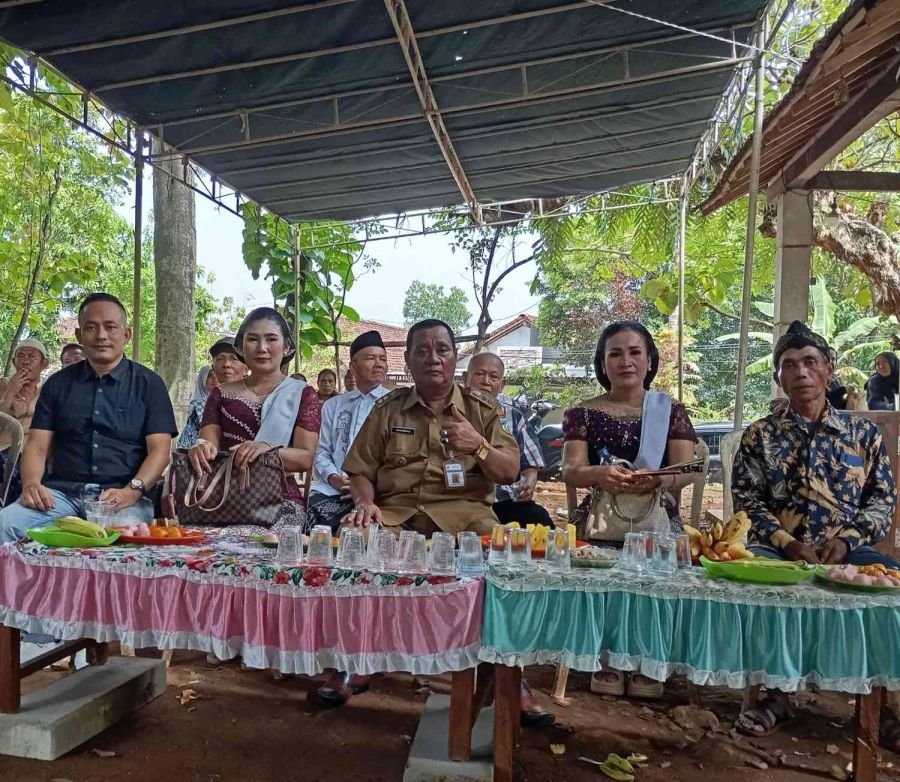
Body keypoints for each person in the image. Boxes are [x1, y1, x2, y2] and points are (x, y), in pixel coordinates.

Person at [313, 320, 523, 712]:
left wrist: (477, 447)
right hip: (396, 514)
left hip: (467, 517)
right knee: (355, 547)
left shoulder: (482, 410)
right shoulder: (387, 409)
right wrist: (365, 503)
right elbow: (360, 470)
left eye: (442, 349)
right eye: (422, 351)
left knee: (503, 566)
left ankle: (511, 678)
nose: (433, 358)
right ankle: (354, 660)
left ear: (455, 357)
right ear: (407, 361)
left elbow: (509, 471)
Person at [732, 320, 898, 738]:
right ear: (778, 377)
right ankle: (777, 696)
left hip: (849, 549)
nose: (800, 372)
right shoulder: (760, 436)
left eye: (810, 362)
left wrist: (847, 541)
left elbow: (882, 502)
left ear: (829, 369)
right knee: (765, 592)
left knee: (887, 595)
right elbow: (747, 503)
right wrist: (787, 543)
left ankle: (881, 705)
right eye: (789, 365)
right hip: (778, 549)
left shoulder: (863, 434)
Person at [561, 320, 698, 699]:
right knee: (599, 564)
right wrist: (600, 474)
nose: (626, 361)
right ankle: (605, 657)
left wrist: (657, 480)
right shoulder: (582, 413)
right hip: (601, 517)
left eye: (635, 352)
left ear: (650, 360)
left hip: (657, 515)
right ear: (602, 364)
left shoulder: (669, 410)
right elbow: (571, 471)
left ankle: (649, 657)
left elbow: (685, 470)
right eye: (615, 354)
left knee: (657, 567)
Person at [0, 294, 177, 543]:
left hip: (121, 498)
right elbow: (37, 446)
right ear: (80, 335)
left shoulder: (149, 385)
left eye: (110, 327)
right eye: (91, 327)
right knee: (4, 525)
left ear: (126, 335)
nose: (101, 335)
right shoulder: (58, 385)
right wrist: (31, 484)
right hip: (59, 494)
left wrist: (133, 490)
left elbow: (160, 451)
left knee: (123, 539)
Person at [188, 307, 321, 533]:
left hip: (280, 500)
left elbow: (305, 457)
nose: (262, 348)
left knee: (248, 540)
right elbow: (207, 444)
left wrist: (265, 450)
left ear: (287, 346)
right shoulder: (220, 394)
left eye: (271, 339)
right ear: (240, 347)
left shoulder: (303, 394)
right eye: (252, 340)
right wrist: (200, 449)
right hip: (223, 496)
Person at [307, 331, 389, 532]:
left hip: (378, 493)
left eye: (383, 359)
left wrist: (364, 487)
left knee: (359, 528)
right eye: (370, 358)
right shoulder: (333, 405)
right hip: (333, 489)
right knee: (305, 517)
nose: (378, 364)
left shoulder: (394, 404)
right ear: (353, 366)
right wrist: (334, 478)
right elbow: (321, 451)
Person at [462, 352, 552, 527]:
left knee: (540, 521)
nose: (486, 381)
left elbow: (530, 464)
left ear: (502, 385)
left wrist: (530, 479)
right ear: (465, 378)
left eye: (493, 376)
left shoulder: (514, 416)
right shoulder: (452, 410)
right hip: (464, 500)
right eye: (479, 374)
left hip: (505, 500)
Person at [0, 339, 50, 505]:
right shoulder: (3, 384)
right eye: (20, 356)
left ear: (44, 364)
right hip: (3, 449)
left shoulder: (49, 390)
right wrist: (10, 393)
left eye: (32, 357)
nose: (25, 361)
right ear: (14, 362)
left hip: (35, 452)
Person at [177, 337, 247, 449]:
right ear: (213, 367)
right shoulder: (211, 401)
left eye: (234, 358)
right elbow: (196, 441)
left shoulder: (260, 398)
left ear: (246, 367)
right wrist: (200, 448)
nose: (226, 364)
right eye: (220, 359)